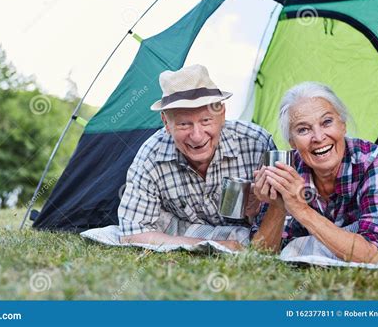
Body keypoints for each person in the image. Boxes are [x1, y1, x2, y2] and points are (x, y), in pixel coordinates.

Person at [118, 64, 275, 251]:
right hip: (190, 233)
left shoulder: (258, 144)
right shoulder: (151, 156)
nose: (197, 136)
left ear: (222, 114)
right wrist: (213, 245)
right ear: (166, 123)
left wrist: (258, 209)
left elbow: (286, 217)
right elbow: (132, 233)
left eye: (206, 120)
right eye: (184, 124)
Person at [252, 82, 378, 263]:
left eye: (326, 122)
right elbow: (259, 257)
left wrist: (300, 209)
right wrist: (278, 205)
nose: (318, 137)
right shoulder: (287, 170)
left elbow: (374, 255)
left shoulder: (374, 161)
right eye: (303, 129)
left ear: (343, 125)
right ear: (292, 142)